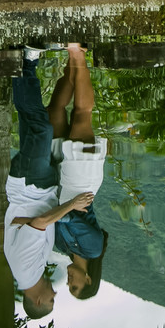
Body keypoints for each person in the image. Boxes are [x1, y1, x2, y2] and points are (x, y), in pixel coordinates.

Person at [4, 52, 94, 318]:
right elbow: (30, 224)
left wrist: (71, 205)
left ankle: (27, 62)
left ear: (39, 301)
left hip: (30, 185)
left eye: (51, 301)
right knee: (31, 122)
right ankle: (20, 65)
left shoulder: (25, 270)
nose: (55, 294)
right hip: (34, 186)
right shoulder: (32, 271)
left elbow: (38, 223)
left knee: (41, 127)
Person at [46, 42, 109, 298]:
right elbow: (66, 217)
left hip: (60, 180)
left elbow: (59, 215)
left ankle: (72, 64)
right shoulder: (94, 249)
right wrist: (57, 213)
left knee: (54, 112)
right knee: (82, 114)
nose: (69, 281)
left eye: (68, 286)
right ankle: (76, 54)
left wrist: (58, 212)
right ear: (89, 279)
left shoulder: (62, 247)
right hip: (82, 181)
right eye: (75, 286)